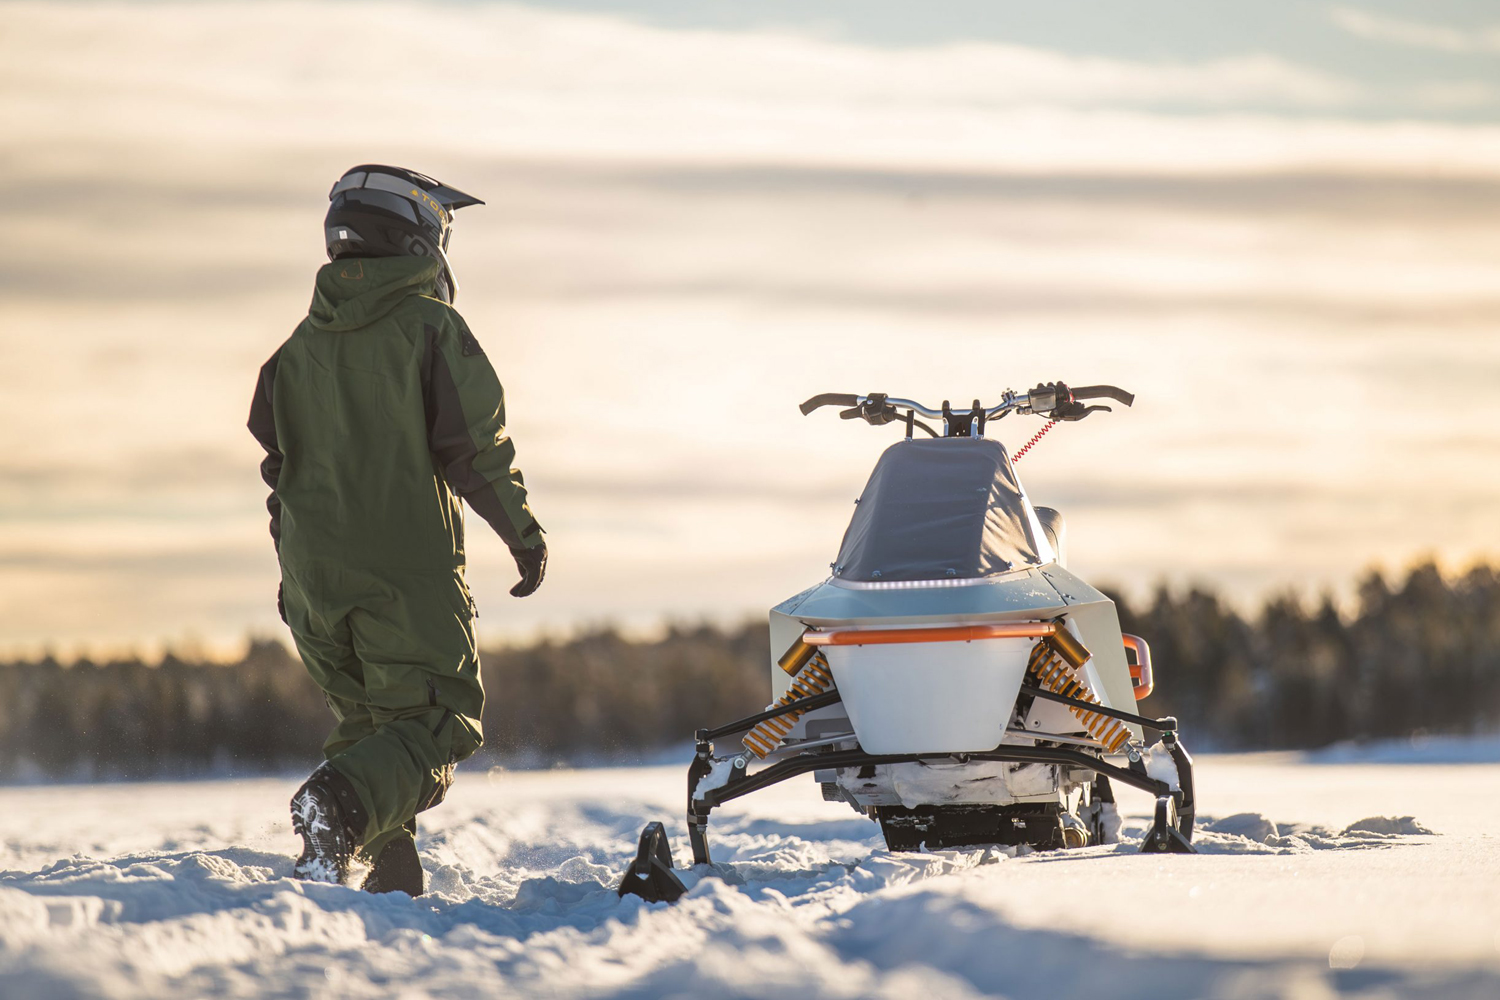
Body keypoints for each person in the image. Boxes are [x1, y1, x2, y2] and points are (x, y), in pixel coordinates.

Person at [247, 165, 546, 895]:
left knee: (373, 725)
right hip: (404, 570)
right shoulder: (431, 328)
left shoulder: (294, 350)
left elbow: (276, 467)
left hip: (315, 582)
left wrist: (295, 573)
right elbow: (474, 446)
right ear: (416, 237)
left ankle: (385, 865)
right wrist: (523, 534)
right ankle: (337, 809)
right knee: (442, 717)